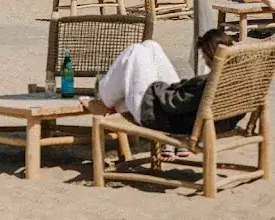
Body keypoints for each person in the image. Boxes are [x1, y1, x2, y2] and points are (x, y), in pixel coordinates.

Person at [80, 29, 241, 143]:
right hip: (180, 117)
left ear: (209, 55)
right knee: (151, 46)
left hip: (155, 115)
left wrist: (158, 87)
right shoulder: (235, 82)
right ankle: (111, 98)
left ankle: (103, 100)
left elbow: (175, 103)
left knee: (136, 51)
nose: (204, 61)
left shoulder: (209, 84)